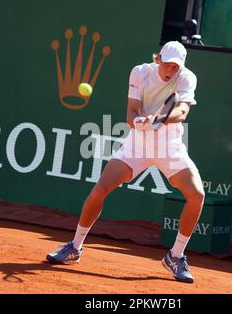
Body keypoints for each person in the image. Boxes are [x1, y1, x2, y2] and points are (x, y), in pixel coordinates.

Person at [46, 41, 205, 283]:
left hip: (169, 145)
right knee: (100, 189)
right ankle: (75, 247)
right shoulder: (140, 72)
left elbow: (182, 111)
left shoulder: (186, 78)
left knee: (197, 195)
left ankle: (175, 255)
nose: (171, 70)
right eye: (168, 64)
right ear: (159, 58)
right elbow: (130, 113)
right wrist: (139, 122)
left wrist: (159, 118)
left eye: (176, 67)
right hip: (137, 144)